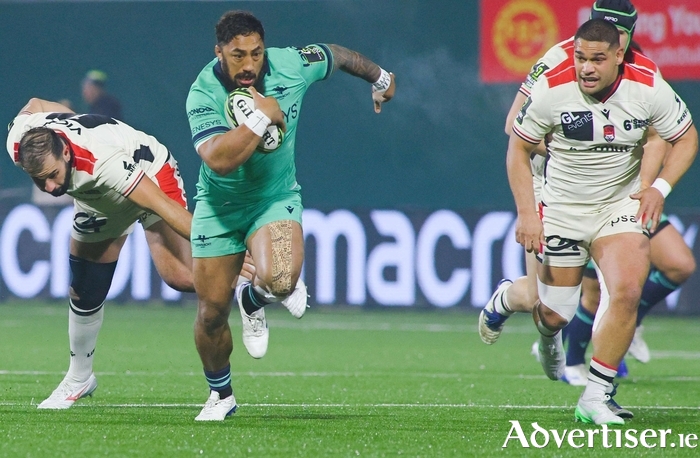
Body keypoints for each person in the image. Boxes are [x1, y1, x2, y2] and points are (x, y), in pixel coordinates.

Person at [185, 10, 395, 421]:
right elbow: (218, 160)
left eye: (256, 54)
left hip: (273, 198)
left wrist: (381, 78)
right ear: (219, 53)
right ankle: (221, 394)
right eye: (237, 55)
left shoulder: (292, 63)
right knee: (210, 313)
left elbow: (338, 55)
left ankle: (253, 298)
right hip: (218, 206)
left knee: (282, 280)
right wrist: (264, 115)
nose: (249, 65)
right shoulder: (202, 91)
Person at [506, 18, 696, 425]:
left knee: (627, 289)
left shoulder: (647, 84)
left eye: (596, 59)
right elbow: (517, 147)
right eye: (580, 57)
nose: (586, 67)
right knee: (555, 313)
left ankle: (596, 396)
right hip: (562, 208)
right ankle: (512, 302)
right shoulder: (551, 87)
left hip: (618, 206)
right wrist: (528, 214)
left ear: (618, 57)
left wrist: (658, 188)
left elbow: (686, 136)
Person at [6, 97, 194, 409]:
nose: (50, 187)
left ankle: (256, 287)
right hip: (99, 198)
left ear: (65, 152)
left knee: (182, 276)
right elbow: (36, 103)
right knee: (84, 288)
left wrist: (221, 247)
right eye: (39, 180)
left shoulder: (102, 160)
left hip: (148, 172)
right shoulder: (19, 141)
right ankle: (79, 378)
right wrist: (73, 119)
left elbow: (161, 205)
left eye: (53, 174)